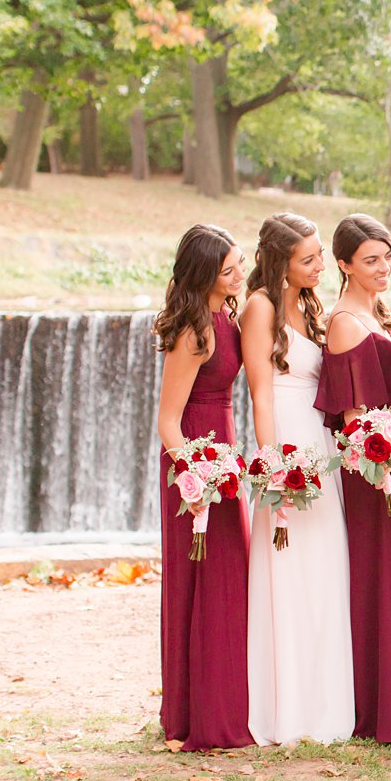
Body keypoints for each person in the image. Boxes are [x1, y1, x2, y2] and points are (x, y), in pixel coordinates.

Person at [315, 214, 391, 745]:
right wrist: (384, 459)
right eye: (370, 260)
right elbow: (351, 418)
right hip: (373, 470)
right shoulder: (344, 321)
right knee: (381, 575)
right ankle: (383, 706)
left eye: (387, 257)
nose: (383, 267)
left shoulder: (380, 313)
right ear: (343, 265)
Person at [241, 213, 354, 745]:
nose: (319, 265)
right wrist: (273, 467)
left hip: (320, 441)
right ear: (279, 262)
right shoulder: (260, 308)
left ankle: (326, 705)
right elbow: (261, 392)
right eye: (307, 258)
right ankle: (288, 708)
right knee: (289, 571)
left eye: (318, 255)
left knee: (326, 565)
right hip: (285, 438)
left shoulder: (311, 308)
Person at [153, 223, 253, 751]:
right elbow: (169, 419)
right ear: (205, 276)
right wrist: (193, 478)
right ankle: (194, 714)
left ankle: (225, 701)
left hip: (223, 453)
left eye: (239, 263)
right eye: (229, 268)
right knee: (200, 581)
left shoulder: (228, 314)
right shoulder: (195, 331)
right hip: (193, 462)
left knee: (229, 575)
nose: (239, 273)